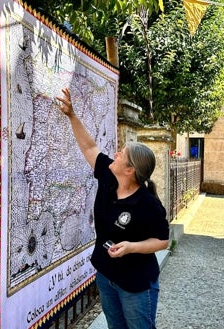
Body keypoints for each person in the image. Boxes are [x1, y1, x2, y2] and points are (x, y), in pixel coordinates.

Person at [56, 88, 169, 329]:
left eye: (121, 155)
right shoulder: (109, 177)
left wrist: (131, 247)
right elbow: (89, 147)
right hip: (107, 276)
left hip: (136, 284)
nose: (115, 154)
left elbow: (162, 241)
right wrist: (72, 115)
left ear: (130, 170)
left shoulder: (147, 204)